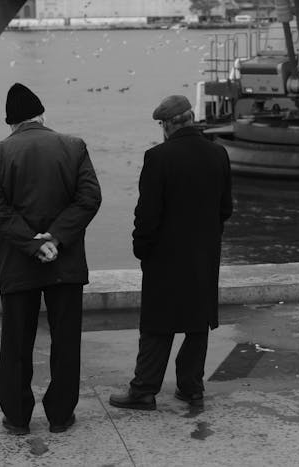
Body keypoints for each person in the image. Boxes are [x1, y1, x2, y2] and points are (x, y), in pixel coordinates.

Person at [0, 82, 102, 436]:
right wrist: (57, 238)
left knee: (17, 343)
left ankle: (17, 418)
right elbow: (89, 198)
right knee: (65, 342)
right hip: (66, 263)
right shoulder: (74, 146)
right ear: (41, 115)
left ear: (11, 124)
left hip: (19, 264)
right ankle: (60, 416)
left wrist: (34, 245)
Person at [109, 94, 233, 411]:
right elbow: (225, 209)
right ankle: (191, 389)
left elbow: (147, 214)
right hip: (204, 255)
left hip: (165, 256)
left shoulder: (158, 157)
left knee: (157, 323)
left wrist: (142, 248)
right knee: (197, 321)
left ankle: (144, 390)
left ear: (166, 125)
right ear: (191, 119)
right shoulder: (219, 154)